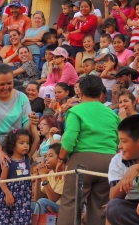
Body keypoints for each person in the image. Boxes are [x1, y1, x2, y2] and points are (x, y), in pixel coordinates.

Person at [0, 63, 38, 224]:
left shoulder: (21, 97)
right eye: (2, 84)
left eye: (9, 83)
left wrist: (32, 123)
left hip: (13, 152)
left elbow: (26, 129)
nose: (6, 87)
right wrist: (0, 152)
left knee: (16, 196)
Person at [55, 75, 121, 225]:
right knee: (100, 207)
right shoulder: (112, 113)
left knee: (71, 204)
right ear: (101, 92)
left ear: (80, 92)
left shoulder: (76, 111)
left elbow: (70, 139)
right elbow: (119, 140)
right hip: (109, 161)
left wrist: (61, 158)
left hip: (82, 161)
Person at [106, 115, 139, 225]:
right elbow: (113, 196)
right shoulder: (117, 160)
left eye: (123, 141)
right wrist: (126, 179)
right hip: (132, 206)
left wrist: (138, 168)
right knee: (113, 207)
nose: (119, 146)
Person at [0, 127, 39, 224]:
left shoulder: (27, 158)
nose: (26, 146)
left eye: (27, 143)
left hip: (24, 200)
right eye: (21, 143)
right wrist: (8, 194)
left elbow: (37, 140)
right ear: (13, 144)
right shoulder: (8, 162)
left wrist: (33, 125)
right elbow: (2, 182)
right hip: (10, 198)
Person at [34, 143, 64, 214]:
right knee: (28, 205)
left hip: (64, 209)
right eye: (46, 156)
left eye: (50, 156)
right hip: (52, 206)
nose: (46, 159)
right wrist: (38, 178)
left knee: (43, 202)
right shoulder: (51, 173)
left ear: (60, 158)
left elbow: (53, 199)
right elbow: (37, 199)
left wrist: (43, 175)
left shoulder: (64, 174)